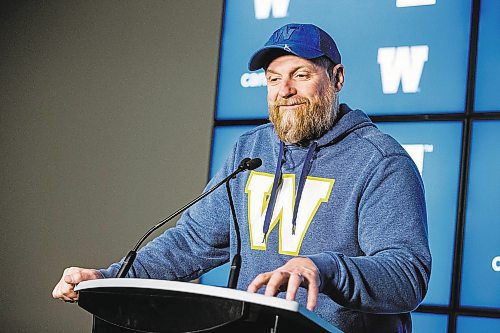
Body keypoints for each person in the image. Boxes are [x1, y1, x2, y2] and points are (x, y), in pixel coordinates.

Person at [53, 23, 431, 332]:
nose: (285, 91)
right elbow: (192, 243)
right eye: (273, 79)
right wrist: (108, 278)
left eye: (301, 75)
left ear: (336, 78)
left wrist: (322, 267)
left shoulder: (380, 161)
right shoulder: (250, 151)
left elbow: (406, 275)